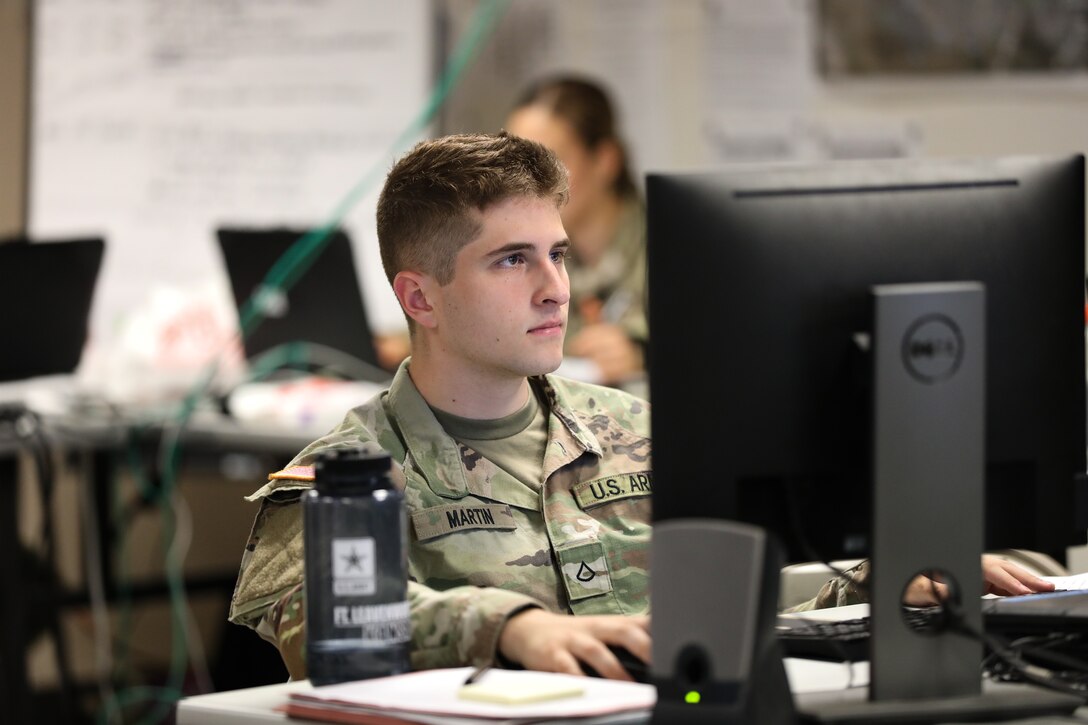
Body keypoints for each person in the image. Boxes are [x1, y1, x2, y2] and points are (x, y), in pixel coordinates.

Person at [228, 132, 1053, 684]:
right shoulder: (348, 473)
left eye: (556, 253)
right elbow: (327, 625)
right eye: (512, 261)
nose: (556, 288)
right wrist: (511, 626)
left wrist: (886, 574)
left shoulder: (638, 430)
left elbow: (730, 601)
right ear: (422, 295)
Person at [505, 76, 647, 388]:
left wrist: (643, 354)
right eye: (516, 164)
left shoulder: (677, 249)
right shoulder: (521, 252)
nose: (526, 182)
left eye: (550, 160)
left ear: (605, 161)